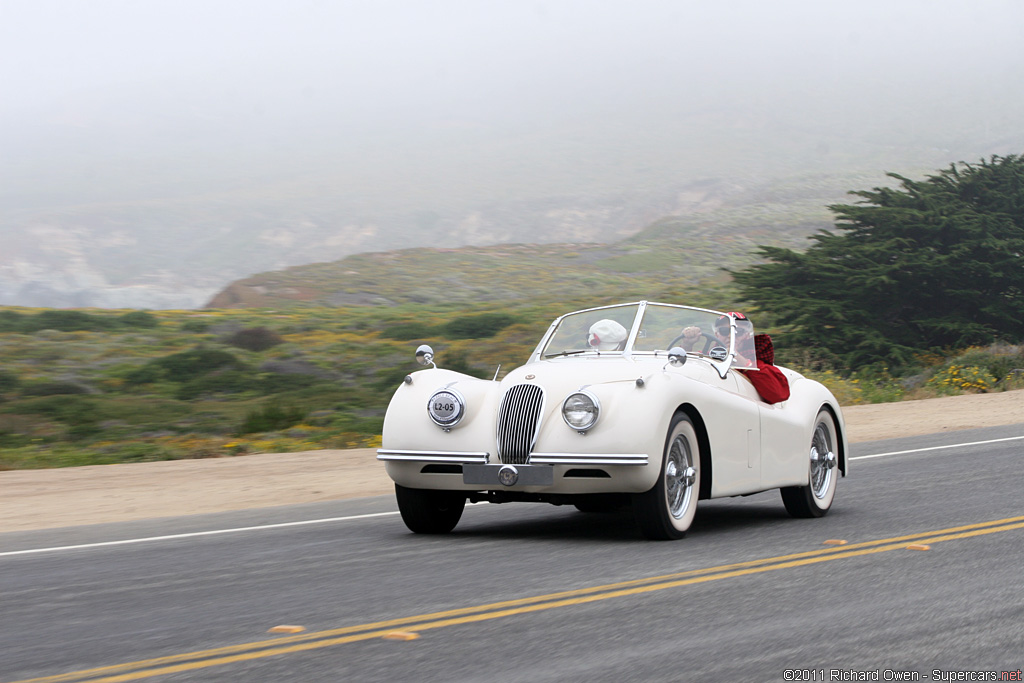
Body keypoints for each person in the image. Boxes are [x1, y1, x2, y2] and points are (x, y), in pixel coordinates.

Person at [738, 333, 791, 404]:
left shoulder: (758, 365)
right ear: (717, 334)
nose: (730, 335)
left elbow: (778, 394)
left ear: (747, 336)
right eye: (724, 330)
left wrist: (746, 364)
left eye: (739, 332)